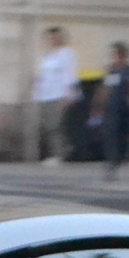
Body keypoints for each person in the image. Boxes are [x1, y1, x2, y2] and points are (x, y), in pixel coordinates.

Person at [33, 26, 78, 163]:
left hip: (59, 94)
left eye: (55, 37)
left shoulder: (66, 54)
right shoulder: (47, 56)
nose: (52, 40)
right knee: (47, 126)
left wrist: (68, 94)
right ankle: (55, 153)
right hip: (45, 95)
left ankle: (60, 154)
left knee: (56, 126)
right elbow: (43, 75)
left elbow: (69, 74)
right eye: (49, 38)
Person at [99, 41, 129, 165]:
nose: (115, 56)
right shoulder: (111, 69)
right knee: (112, 131)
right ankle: (113, 157)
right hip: (112, 104)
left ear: (122, 54)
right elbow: (106, 87)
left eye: (116, 53)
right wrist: (100, 102)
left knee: (124, 130)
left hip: (125, 103)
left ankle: (125, 153)